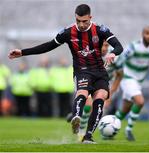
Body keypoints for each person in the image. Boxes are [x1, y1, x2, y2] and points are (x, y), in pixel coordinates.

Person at [8, 4, 123, 143]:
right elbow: (48, 46)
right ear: (75, 17)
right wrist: (22, 52)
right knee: (83, 93)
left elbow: (119, 46)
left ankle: (88, 136)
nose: (81, 24)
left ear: (90, 18)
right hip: (82, 70)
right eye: (78, 20)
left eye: (84, 21)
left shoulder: (100, 30)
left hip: (100, 71)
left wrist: (112, 53)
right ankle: (76, 118)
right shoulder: (67, 32)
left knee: (100, 100)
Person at [113, 26, 149, 141]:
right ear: (142, 34)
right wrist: (117, 74)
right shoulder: (133, 46)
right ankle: (128, 130)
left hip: (138, 81)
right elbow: (120, 60)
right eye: (147, 33)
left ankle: (109, 127)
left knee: (125, 109)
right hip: (127, 78)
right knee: (140, 101)